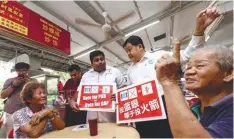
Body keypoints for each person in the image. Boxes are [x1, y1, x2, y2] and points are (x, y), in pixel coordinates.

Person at [122, 7, 220, 138]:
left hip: (164, 103)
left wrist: (198, 31)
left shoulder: (160, 56)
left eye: (129, 49)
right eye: (126, 52)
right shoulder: (129, 70)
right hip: (142, 111)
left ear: (140, 46)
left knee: (168, 134)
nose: (128, 54)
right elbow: (130, 90)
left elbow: (184, 57)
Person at [156, 40, 233, 138]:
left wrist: (170, 83)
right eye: (188, 67)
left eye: (200, 66)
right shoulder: (195, 107)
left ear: (229, 73)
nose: (189, 72)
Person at [69, 50, 125, 123]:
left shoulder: (115, 72)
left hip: (111, 116)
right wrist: (72, 100)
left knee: (112, 133)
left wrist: (119, 93)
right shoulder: (86, 76)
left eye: (102, 59)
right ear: (91, 64)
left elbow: (124, 86)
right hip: (92, 117)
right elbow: (79, 91)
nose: (100, 61)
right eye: (97, 60)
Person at [0, 61, 37, 137]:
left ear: (27, 71)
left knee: (27, 134)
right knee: (10, 134)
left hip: (27, 113)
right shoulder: (10, 81)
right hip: (10, 112)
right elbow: (2, 96)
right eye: (19, 70)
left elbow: (37, 95)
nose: (21, 72)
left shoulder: (33, 81)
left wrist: (29, 84)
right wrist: (13, 85)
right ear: (16, 71)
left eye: (23, 70)